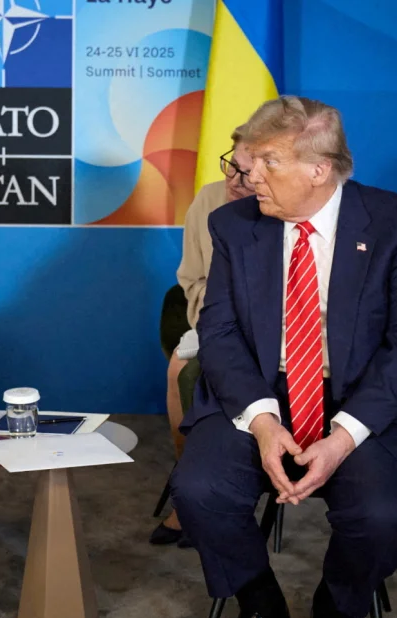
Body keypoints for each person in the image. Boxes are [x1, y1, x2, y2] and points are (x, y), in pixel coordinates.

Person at [171, 96, 397, 618]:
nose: (249, 174)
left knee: (381, 515)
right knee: (198, 491)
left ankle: (336, 607)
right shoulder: (233, 225)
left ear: (318, 170)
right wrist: (264, 424)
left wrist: (342, 438)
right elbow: (218, 334)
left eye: (268, 162)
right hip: (259, 390)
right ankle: (260, 605)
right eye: (251, 162)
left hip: (358, 395)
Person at [151, 130, 256, 547]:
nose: (234, 180)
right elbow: (190, 281)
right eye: (231, 165)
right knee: (181, 367)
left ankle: (237, 482)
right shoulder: (208, 200)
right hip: (214, 318)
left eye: (247, 175)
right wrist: (217, 319)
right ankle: (189, 494)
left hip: (278, 330)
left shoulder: (288, 210)